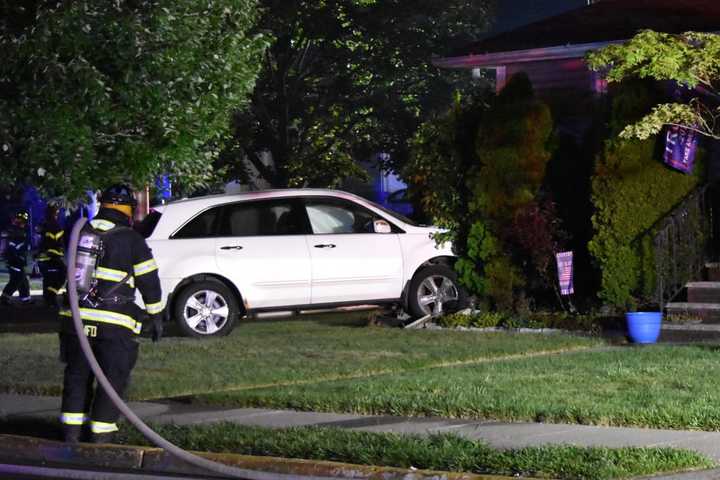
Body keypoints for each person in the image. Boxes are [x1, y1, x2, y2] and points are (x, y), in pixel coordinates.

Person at [58, 185, 164, 444]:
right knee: (112, 378)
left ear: (103, 204)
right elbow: (149, 282)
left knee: (77, 376)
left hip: (75, 323)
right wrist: (156, 315)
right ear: (128, 209)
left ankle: (71, 433)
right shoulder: (131, 239)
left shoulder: (80, 233)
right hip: (113, 325)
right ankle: (101, 435)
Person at [36, 205, 66, 308]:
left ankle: (48, 300)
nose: (57, 215)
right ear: (54, 214)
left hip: (44, 258)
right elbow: (52, 243)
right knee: (61, 275)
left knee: (48, 279)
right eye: (56, 213)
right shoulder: (53, 225)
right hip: (51, 257)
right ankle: (51, 298)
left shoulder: (44, 224)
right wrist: (56, 253)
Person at [1, 210, 31, 306]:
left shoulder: (17, 230)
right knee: (16, 279)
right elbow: (12, 245)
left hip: (18, 259)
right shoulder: (13, 231)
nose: (23, 224)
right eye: (22, 221)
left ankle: (25, 299)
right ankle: (4, 298)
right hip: (14, 259)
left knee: (22, 279)